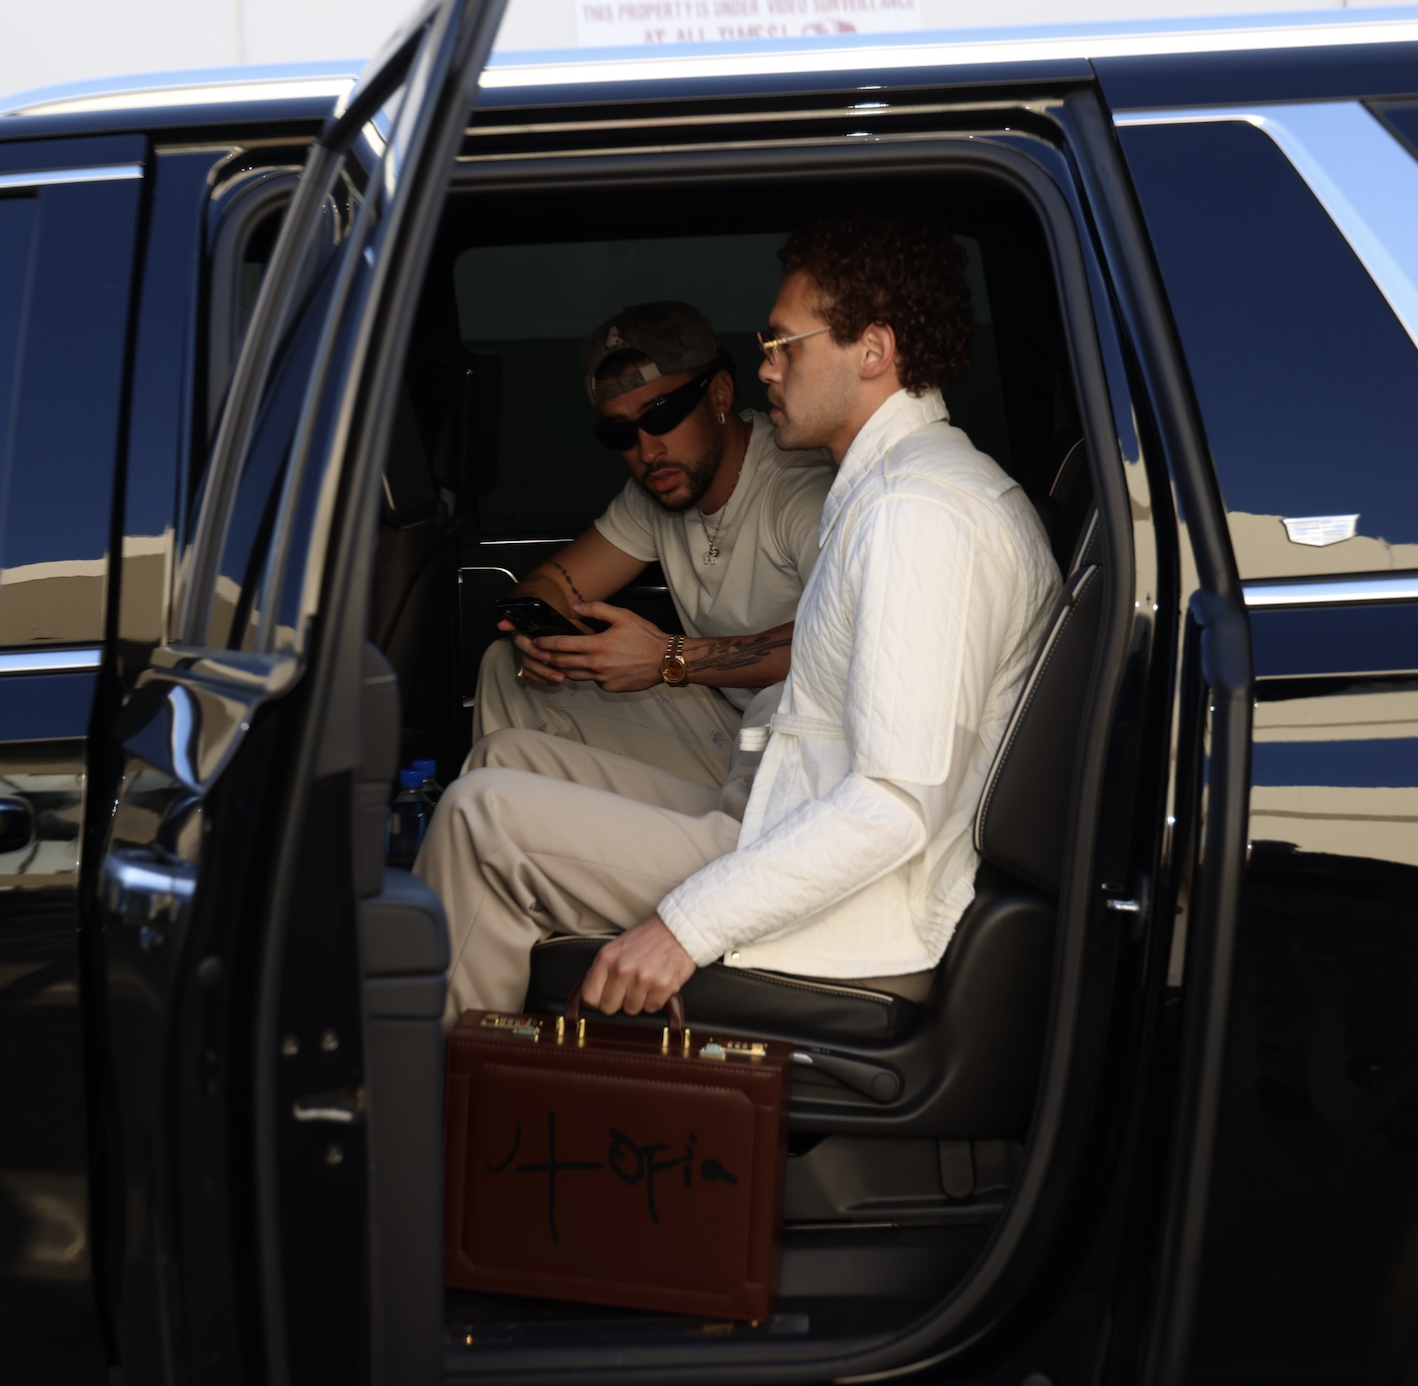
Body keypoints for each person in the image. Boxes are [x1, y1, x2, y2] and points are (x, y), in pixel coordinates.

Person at [419, 215, 1062, 1027]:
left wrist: (684, 926)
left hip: (862, 912)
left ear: (874, 350)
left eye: (786, 345)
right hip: (779, 811)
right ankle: (516, 1049)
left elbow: (896, 805)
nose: (766, 367)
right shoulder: (892, 488)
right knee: (505, 755)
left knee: (478, 821)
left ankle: (435, 1118)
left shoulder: (915, 512)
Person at [469, 300, 833, 788]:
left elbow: (839, 640)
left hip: (805, 751)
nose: (646, 450)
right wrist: (540, 633)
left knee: (483, 797)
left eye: (661, 415)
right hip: (732, 729)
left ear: (720, 394)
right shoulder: (657, 491)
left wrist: (669, 658)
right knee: (504, 664)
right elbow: (550, 582)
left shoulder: (799, 489)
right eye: (619, 431)